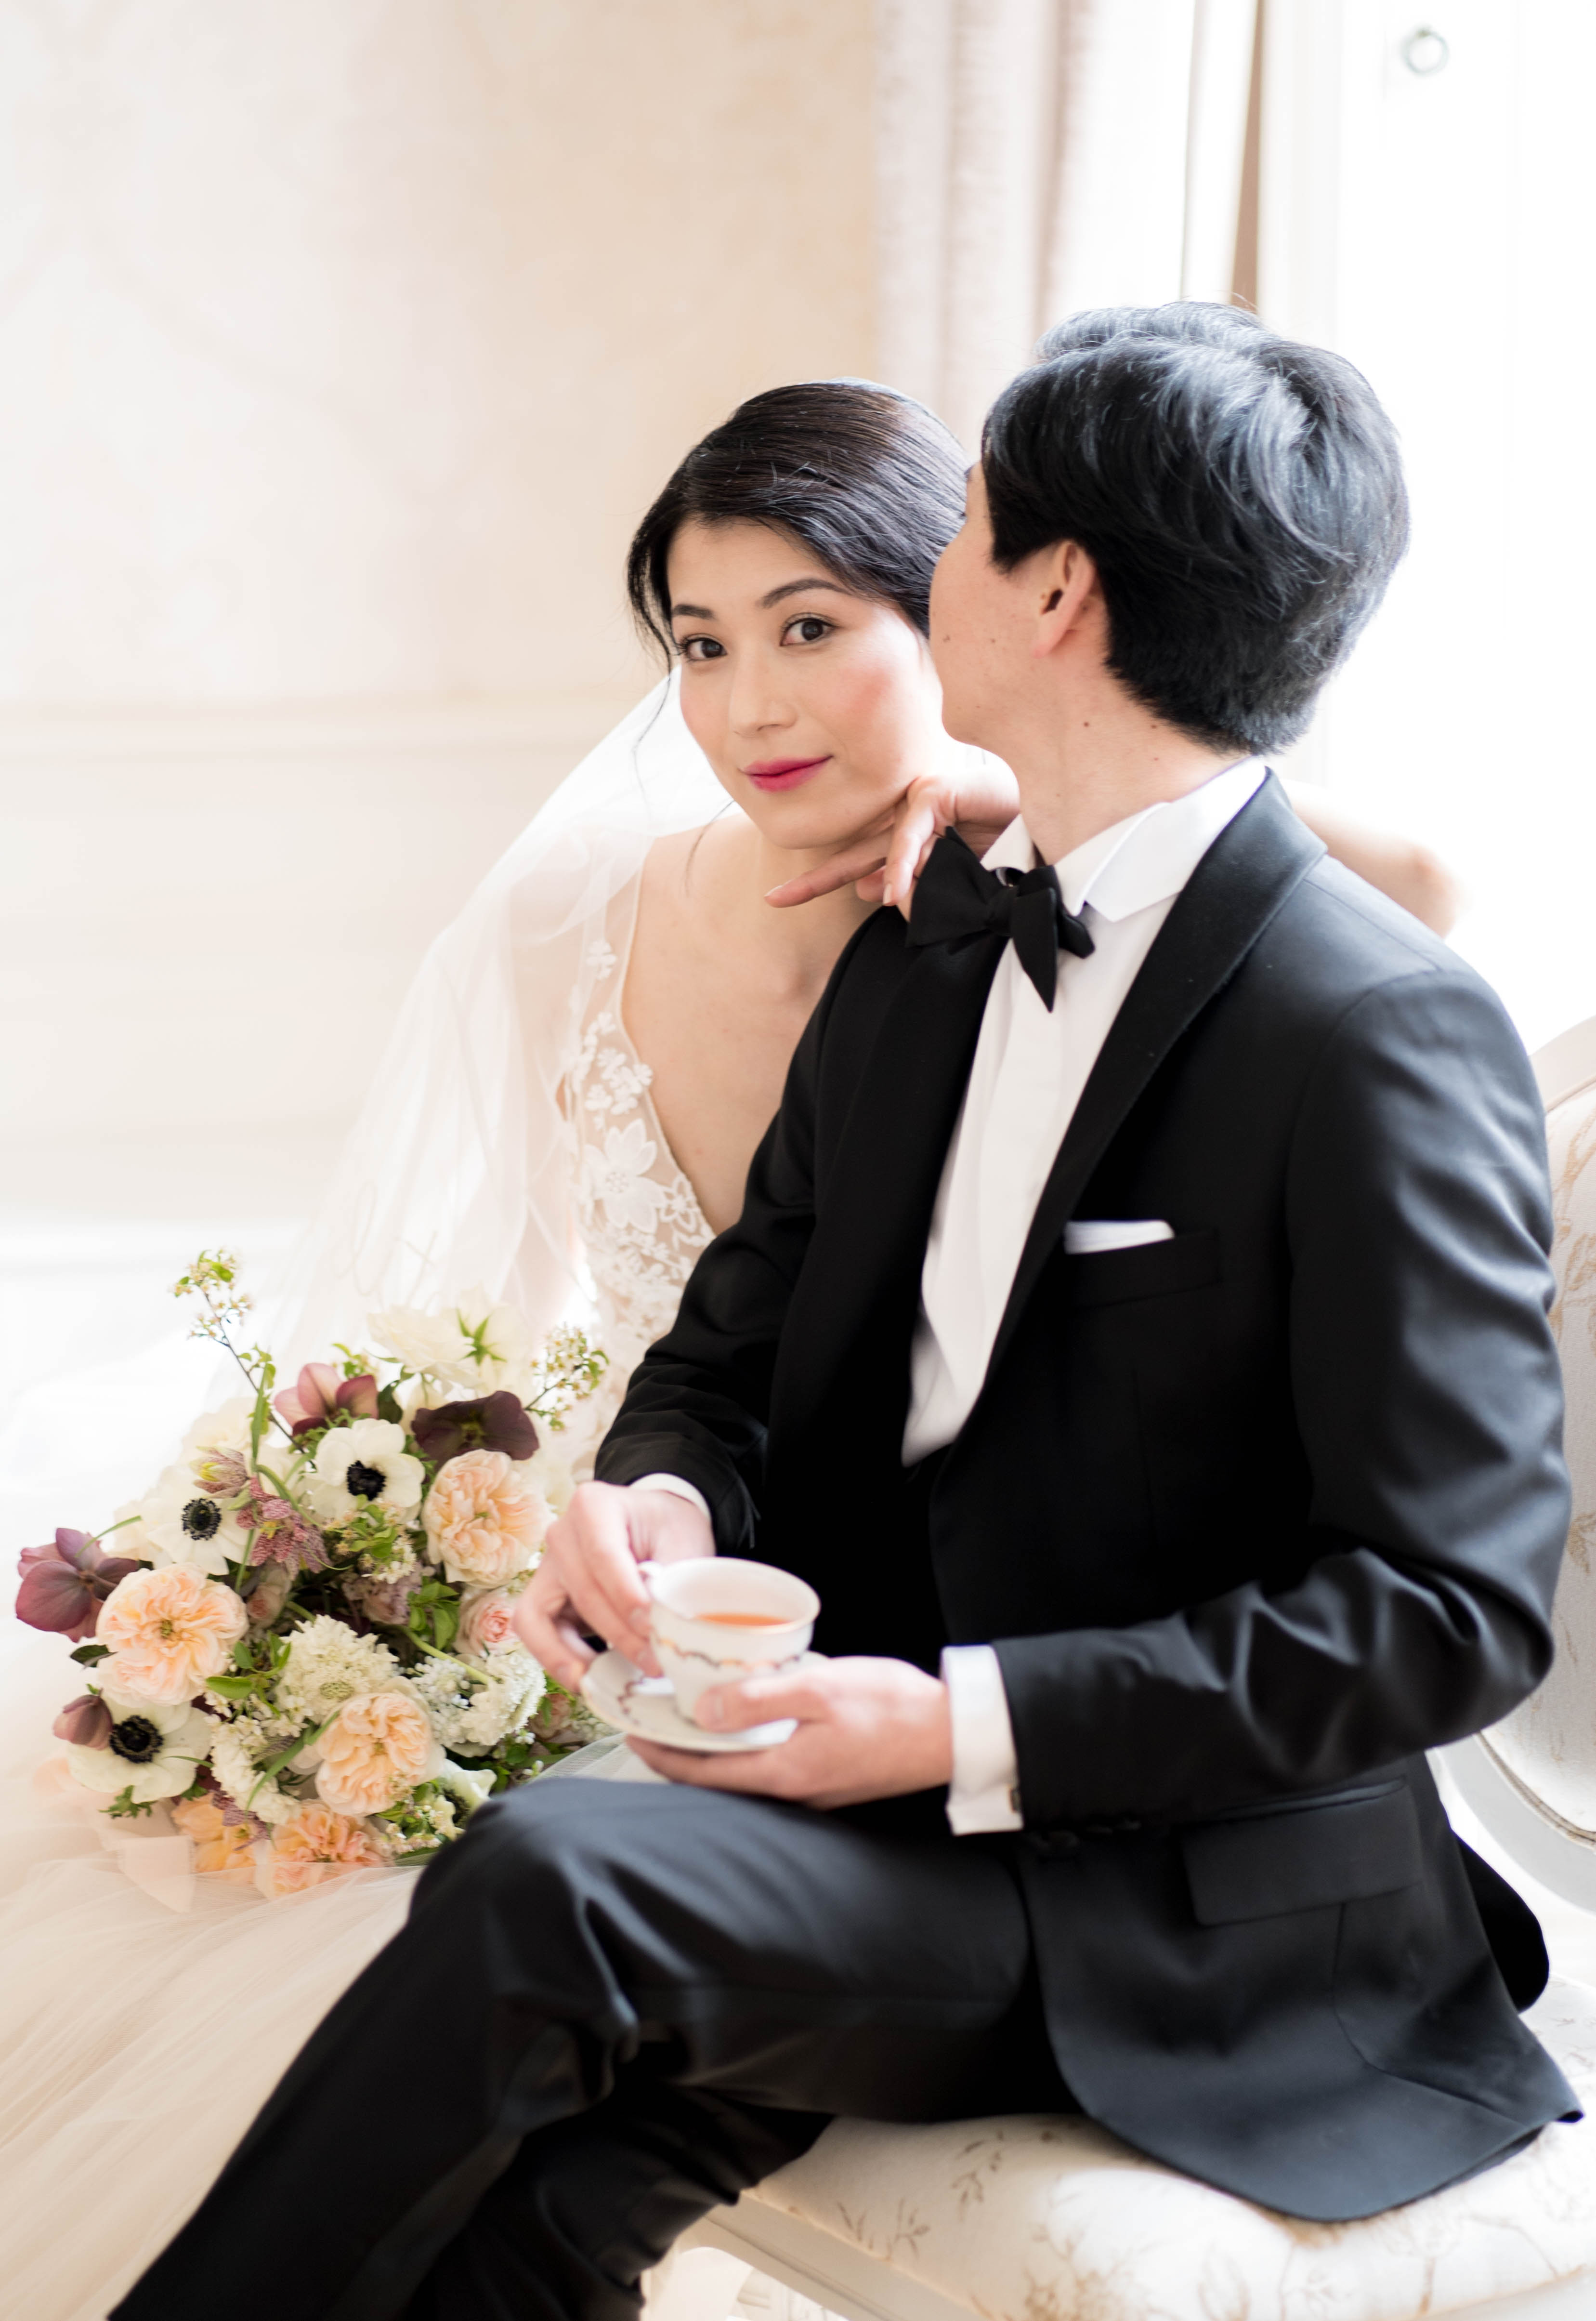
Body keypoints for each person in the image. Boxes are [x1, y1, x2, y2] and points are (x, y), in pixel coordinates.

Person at [112, 304, 1574, 2321]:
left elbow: (1452, 1610)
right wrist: (663, 1505)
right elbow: (725, 1341)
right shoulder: (931, 933)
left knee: (554, 1881)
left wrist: (955, 1719)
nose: (927, 566)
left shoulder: (1372, 1029)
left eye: (960, 528)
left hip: (1192, 1903)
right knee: (519, 2212)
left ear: (1054, 591)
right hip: (870, 1827)